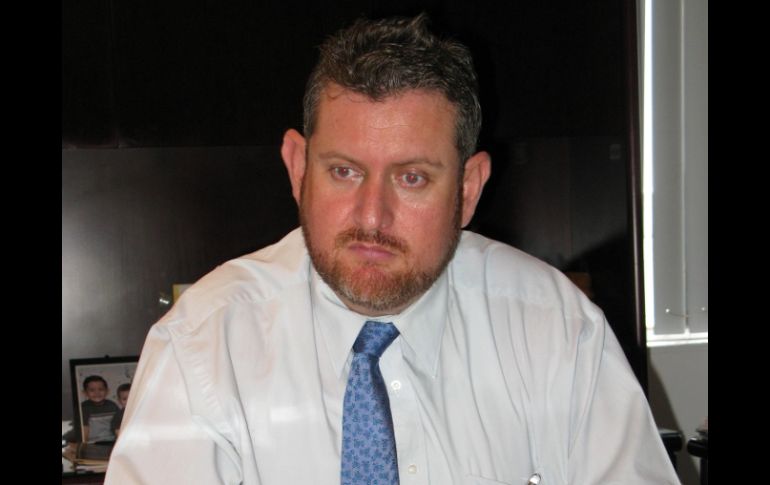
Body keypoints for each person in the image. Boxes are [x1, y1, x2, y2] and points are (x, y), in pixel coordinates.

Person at [106, 14, 680, 485]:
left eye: (411, 178)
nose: (371, 217)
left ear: (468, 189)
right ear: (299, 168)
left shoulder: (557, 331)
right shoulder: (203, 346)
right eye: (344, 171)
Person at [80, 375, 119, 443]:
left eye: (101, 389)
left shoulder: (112, 406)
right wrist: (84, 444)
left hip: (112, 441)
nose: (97, 393)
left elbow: (119, 425)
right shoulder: (83, 408)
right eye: (92, 390)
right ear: (85, 393)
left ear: (107, 391)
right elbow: (84, 428)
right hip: (92, 442)